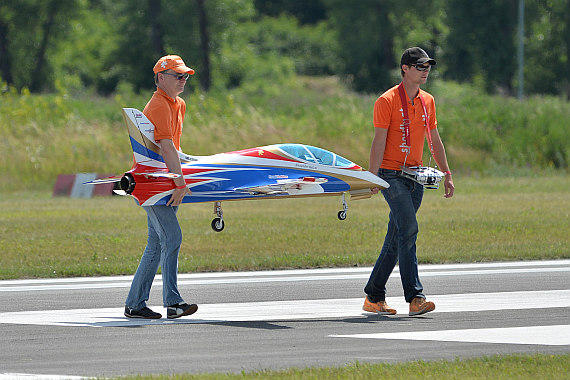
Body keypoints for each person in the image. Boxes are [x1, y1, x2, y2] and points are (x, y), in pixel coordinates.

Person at [363, 47, 454, 316]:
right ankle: (416, 297)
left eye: (427, 67)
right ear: (405, 68)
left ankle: (374, 296)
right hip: (390, 174)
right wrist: (372, 176)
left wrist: (446, 173)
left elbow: (434, 140)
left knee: (397, 236)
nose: (425, 71)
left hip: (416, 177)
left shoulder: (428, 101)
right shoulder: (386, 100)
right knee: (410, 229)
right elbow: (378, 141)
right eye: (420, 66)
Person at [124, 55, 198, 319]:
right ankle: (173, 302)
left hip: (163, 180)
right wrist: (180, 182)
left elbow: (174, 148)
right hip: (154, 183)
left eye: (185, 76)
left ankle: (135, 304)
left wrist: (190, 164)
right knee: (172, 237)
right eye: (178, 76)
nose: (183, 80)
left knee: (156, 244)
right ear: (160, 78)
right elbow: (165, 147)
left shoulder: (178, 104)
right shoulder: (158, 105)